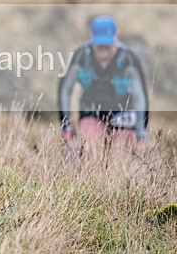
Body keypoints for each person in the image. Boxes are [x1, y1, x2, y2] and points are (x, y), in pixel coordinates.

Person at [58, 15, 149, 157]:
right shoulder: (81, 57)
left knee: (120, 154)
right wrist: (65, 125)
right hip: (91, 111)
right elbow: (65, 90)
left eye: (107, 45)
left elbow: (140, 98)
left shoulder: (130, 60)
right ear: (92, 38)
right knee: (90, 148)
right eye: (100, 45)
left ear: (116, 37)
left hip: (123, 113)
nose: (103, 50)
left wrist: (141, 136)